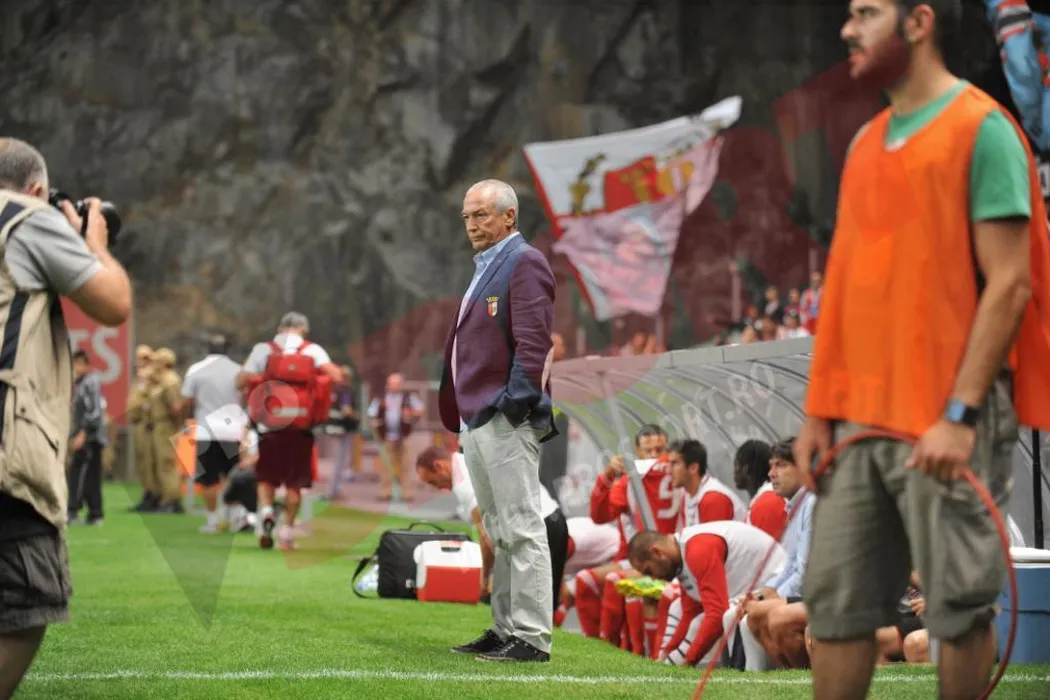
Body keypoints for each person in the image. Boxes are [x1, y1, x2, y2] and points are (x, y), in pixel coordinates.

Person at [795, 2, 1050, 698]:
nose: (848, 28)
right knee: (836, 610)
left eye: (867, 13)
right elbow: (845, 290)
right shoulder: (864, 145)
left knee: (959, 609)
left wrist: (960, 413)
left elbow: (1011, 284)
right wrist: (818, 413)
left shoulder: (983, 129)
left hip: (949, 418)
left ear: (919, 22)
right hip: (861, 420)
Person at [0, 137, 131, 699]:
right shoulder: (23, 216)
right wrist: (92, 239)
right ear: (36, 188)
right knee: (26, 600)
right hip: (6, 456)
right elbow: (113, 302)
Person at [438, 179, 557, 662]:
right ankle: (505, 626)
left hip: (503, 415)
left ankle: (531, 637)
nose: (472, 224)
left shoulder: (524, 261)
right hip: (477, 415)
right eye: (467, 216)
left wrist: (513, 405)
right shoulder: (488, 265)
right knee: (499, 529)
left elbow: (534, 341)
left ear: (510, 216)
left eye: (482, 214)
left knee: (521, 526)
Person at [415, 445, 569, 612]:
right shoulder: (472, 459)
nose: (437, 488)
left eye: (432, 482)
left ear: (439, 466)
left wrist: (484, 580)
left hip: (538, 529)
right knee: (543, 606)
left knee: (529, 608)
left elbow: (487, 539)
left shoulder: (464, 483)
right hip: (553, 519)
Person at [238, 312, 342, 550]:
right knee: (294, 483)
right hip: (301, 426)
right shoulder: (312, 350)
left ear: (279, 328)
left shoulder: (263, 349)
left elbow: (241, 381)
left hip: (269, 425)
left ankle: (266, 511)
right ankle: (286, 534)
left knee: (267, 477)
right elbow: (335, 376)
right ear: (304, 329)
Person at [629, 522, 786, 668]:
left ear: (657, 552)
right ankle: (665, 663)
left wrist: (689, 661)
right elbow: (690, 610)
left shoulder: (698, 549)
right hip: (755, 586)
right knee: (679, 609)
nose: (653, 578)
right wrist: (667, 651)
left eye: (649, 571)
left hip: (777, 584)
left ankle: (747, 670)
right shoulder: (683, 553)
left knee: (703, 621)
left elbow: (716, 614)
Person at [181, 333, 247, 533]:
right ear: (228, 350)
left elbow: (186, 400)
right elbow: (245, 397)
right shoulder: (238, 370)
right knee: (232, 477)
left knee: (208, 480)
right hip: (232, 431)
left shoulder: (196, 369)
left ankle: (212, 521)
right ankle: (235, 519)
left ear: (208, 349)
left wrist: (185, 419)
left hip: (206, 431)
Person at [367, 372, 424, 502]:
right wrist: (376, 424)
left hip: (404, 436)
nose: (393, 387)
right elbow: (371, 413)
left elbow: (420, 410)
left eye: (396, 384)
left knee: (405, 466)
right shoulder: (381, 398)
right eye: (391, 384)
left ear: (401, 385)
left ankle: (406, 493)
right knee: (386, 466)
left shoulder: (408, 398)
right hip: (387, 436)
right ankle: (385, 492)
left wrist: (410, 413)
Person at [67, 350, 108, 526]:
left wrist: (84, 433)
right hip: (79, 435)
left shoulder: (90, 382)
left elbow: (95, 412)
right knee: (79, 475)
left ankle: (89, 512)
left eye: (79, 363)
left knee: (87, 477)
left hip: (91, 438)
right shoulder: (76, 383)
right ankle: (86, 512)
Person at [669, 438, 747, 530]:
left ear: (693, 468)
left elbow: (715, 538)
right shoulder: (686, 494)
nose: (669, 470)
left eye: (675, 464)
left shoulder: (713, 498)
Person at [146, 348, 184, 513]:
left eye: (157, 361)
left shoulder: (170, 380)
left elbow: (176, 407)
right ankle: (165, 497)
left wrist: (175, 425)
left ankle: (172, 499)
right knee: (162, 463)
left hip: (166, 425)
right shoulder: (162, 380)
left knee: (167, 463)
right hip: (160, 425)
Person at [733, 439, 786, 539]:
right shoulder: (767, 497)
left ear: (745, 469)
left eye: (736, 465)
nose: (734, 471)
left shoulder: (767, 502)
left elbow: (764, 546)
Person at [127, 344, 157, 511]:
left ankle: (152, 494)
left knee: (149, 462)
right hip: (138, 423)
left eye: (145, 358)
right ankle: (147, 492)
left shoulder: (151, 377)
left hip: (146, 424)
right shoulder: (140, 378)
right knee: (142, 462)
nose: (141, 361)